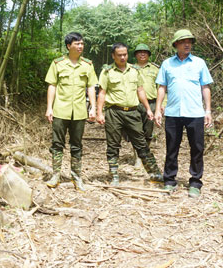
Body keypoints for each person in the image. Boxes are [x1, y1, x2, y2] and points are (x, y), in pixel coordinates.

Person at [154, 29, 213, 198]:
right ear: (176, 44)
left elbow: (205, 87)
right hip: (173, 112)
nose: (187, 44)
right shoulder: (167, 64)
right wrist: (158, 109)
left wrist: (208, 110)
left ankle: (195, 182)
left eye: (189, 41)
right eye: (183, 41)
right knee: (172, 147)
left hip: (195, 112)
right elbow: (162, 87)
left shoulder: (199, 63)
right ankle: (170, 180)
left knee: (197, 148)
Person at [97, 42, 163, 186]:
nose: (122, 57)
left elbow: (140, 90)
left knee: (141, 143)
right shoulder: (107, 72)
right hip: (114, 112)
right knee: (113, 145)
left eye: (125, 54)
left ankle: (155, 174)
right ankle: (114, 175)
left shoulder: (134, 70)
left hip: (132, 113)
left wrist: (147, 109)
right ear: (113, 56)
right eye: (119, 55)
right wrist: (99, 113)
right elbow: (102, 93)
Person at [44, 32, 97, 191]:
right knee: (57, 143)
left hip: (80, 111)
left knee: (77, 145)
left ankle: (76, 177)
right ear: (69, 46)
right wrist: (49, 107)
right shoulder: (57, 63)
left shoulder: (87, 65)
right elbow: (52, 85)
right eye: (77, 44)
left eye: (82, 44)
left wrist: (93, 107)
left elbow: (91, 87)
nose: (80, 46)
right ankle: (56, 176)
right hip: (60, 110)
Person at [133, 43, 161, 168]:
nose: (142, 54)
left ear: (149, 55)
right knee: (135, 131)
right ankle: (138, 157)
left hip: (152, 103)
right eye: (139, 52)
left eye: (145, 52)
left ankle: (144, 153)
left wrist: (162, 105)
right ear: (136, 55)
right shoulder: (130, 69)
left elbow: (161, 88)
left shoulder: (156, 69)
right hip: (134, 104)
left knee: (148, 131)